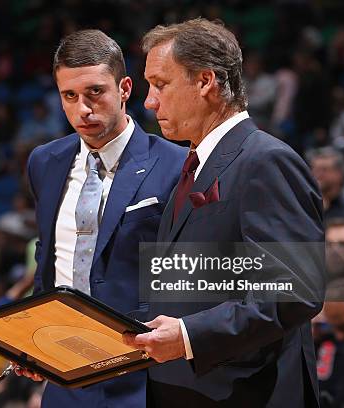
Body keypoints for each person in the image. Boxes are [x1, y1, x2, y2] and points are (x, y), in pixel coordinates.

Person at [123, 18, 325, 407]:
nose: (149, 101)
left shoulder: (266, 160)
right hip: (186, 391)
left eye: (160, 84)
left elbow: (295, 291)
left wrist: (187, 336)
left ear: (205, 81)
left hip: (248, 393)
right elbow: (183, 294)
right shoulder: (195, 164)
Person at [24, 29, 184, 407]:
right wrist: (31, 336)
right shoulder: (44, 162)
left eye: (95, 92)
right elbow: (49, 256)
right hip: (63, 374)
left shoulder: (175, 165)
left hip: (141, 375)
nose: (83, 109)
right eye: (70, 96)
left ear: (125, 88)